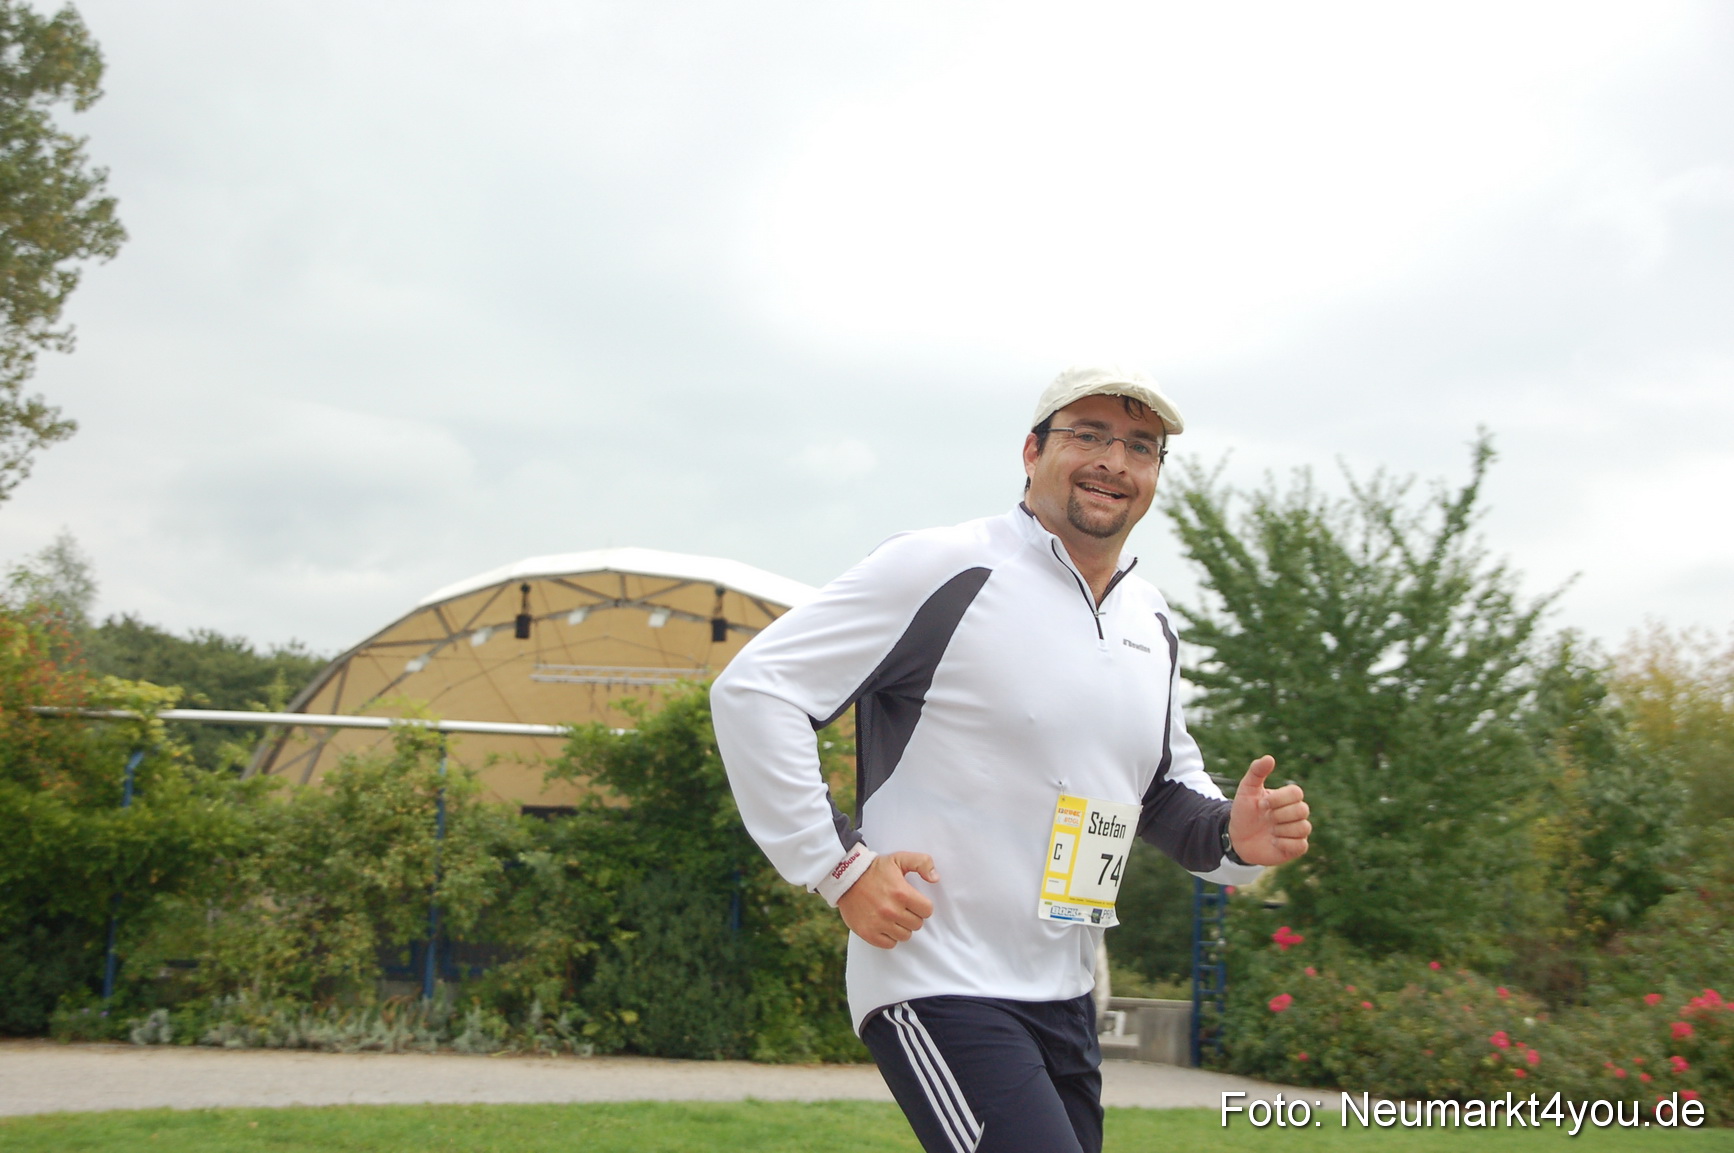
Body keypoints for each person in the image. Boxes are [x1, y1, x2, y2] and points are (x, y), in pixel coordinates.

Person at [711, 365, 1311, 1153]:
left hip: (1066, 994)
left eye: (1140, 446)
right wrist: (839, 867)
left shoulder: (1151, 619)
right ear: (1032, 450)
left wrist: (1236, 836)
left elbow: (1162, 791)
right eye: (1089, 435)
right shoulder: (944, 566)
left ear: (1156, 474)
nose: (1114, 461)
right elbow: (757, 690)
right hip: (937, 977)